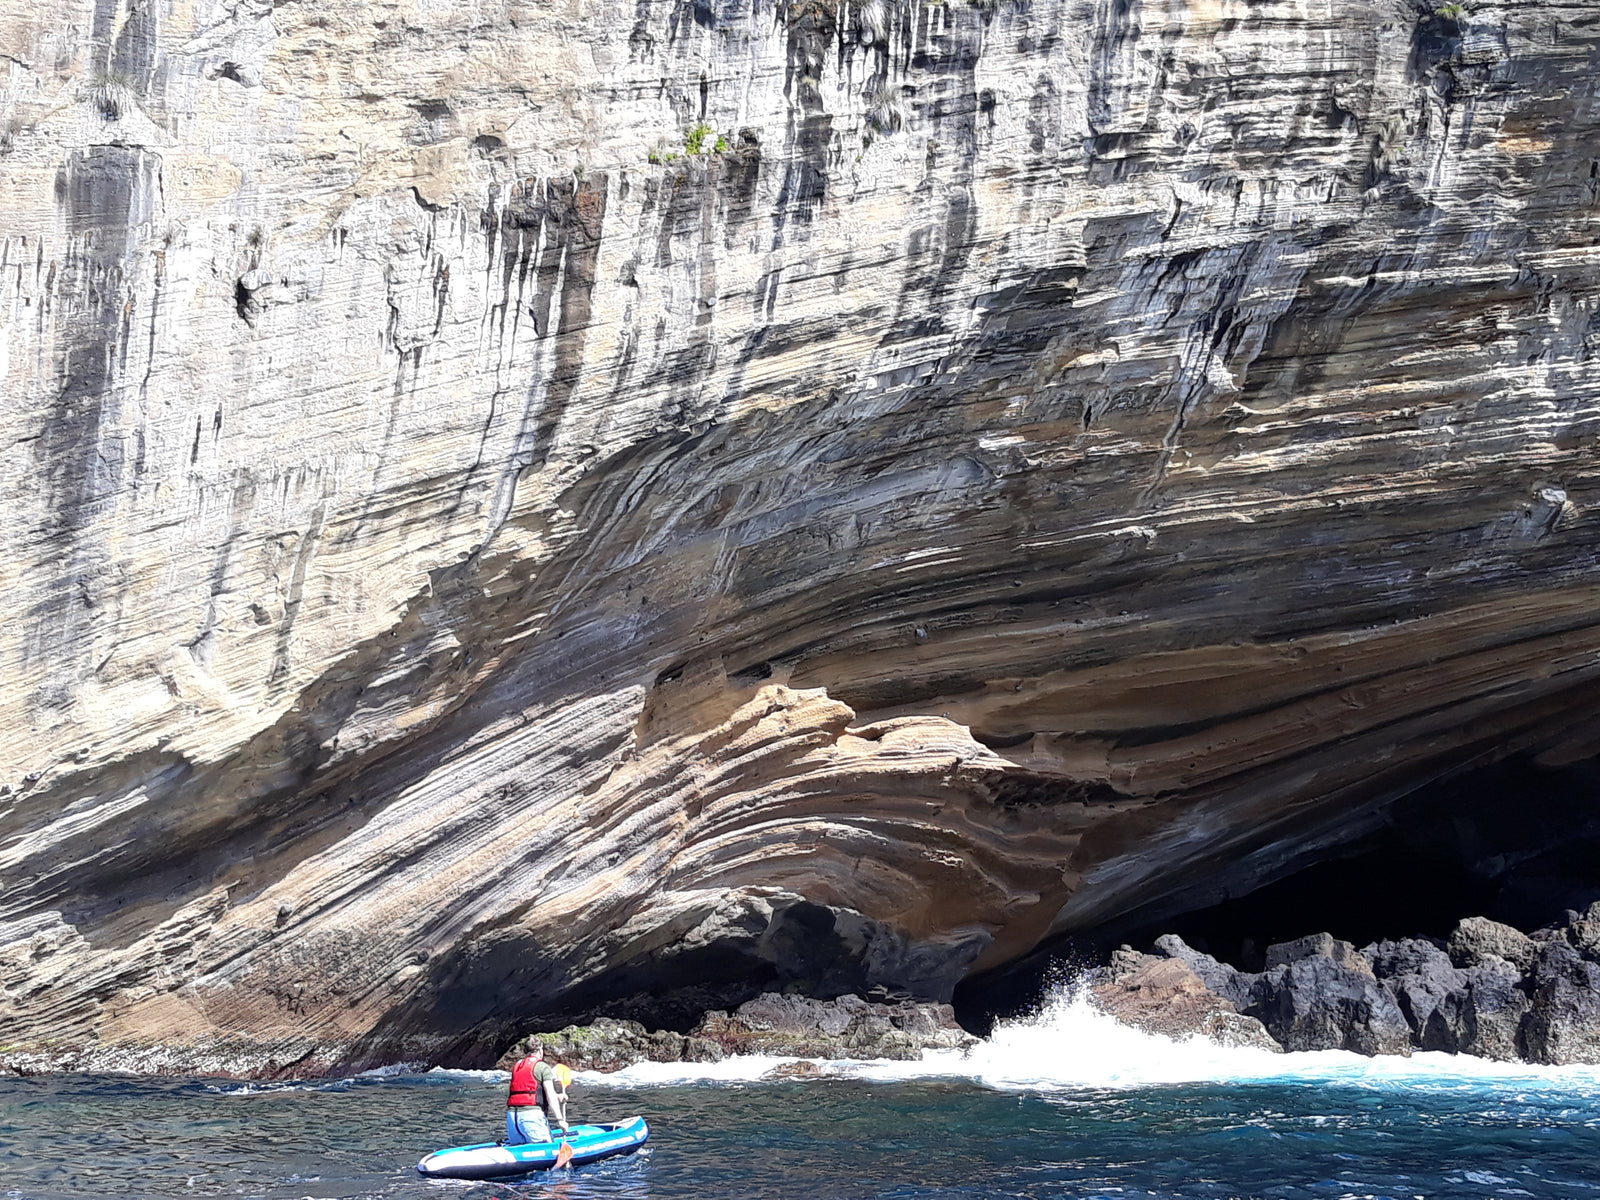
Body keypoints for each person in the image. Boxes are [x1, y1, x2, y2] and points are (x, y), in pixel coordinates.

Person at [505, 1042, 570, 1146]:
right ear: (540, 1050)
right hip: (531, 1117)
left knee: (519, 1148)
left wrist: (558, 1096)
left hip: (513, 1117)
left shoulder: (517, 1065)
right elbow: (550, 1095)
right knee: (546, 1146)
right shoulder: (542, 1067)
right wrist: (560, 1120)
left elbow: (526, 1091)